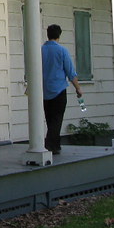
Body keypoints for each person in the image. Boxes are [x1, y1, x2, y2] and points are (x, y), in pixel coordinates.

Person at [41, 23, 83, 154]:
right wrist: (78, 88)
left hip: (44, 90)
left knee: (49, 119)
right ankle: (49, 145)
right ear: (59, 35)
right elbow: (70, 72)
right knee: (57, 119)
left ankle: (55, 146)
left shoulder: (40, 50)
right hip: (59, 90)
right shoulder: (62, 51)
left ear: (48, 34)